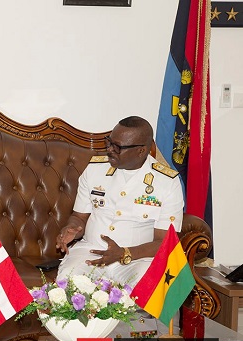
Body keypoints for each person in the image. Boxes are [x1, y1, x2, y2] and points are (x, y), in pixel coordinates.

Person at [55, 116, 184, 287]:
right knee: (68, 280)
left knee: (149, 285)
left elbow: (165, 242)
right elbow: (79, 216)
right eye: (109, 142)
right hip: (91, 251)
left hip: (137, 259)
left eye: (118, 147)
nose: (110, 150)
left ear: (141, 150)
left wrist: (124, 253)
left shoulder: (167, 182)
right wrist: (72, 228)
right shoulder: (94, 170)